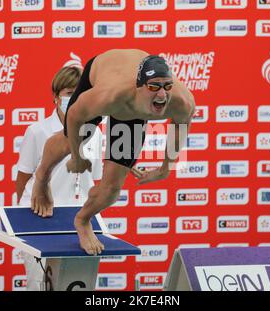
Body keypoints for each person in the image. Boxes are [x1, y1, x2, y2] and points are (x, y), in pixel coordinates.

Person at [31, 49, 195, 255]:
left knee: (111, 189)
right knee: (69, 140)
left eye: (166, 87)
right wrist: (77, 156)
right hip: (103, 72)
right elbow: (73, 116)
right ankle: (42, 178)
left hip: (131, 110)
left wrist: (165, 168)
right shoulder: (107, 95)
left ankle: (82, 220)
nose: (162, 95)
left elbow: (180, 127)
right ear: (139, 87)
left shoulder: (182, 102)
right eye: (154, 87)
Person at [16, 65, 103, 290]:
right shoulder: (37, 130)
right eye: (68, 93)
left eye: (80, 93)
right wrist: (27, 220)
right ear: (55, 97)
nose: (74, 98)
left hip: (80, 221)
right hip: (40, 220)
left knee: (81, 283)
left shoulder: (96, 133)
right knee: (40, 285)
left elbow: (93, 180)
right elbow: (23, 179)